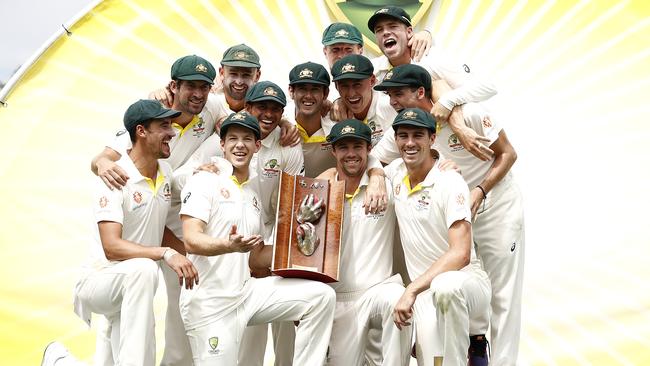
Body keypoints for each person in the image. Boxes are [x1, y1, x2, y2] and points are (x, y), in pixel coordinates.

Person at [375, 64, 525, 366]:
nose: (393, 102)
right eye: (389, 95)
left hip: (494, 205)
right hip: (452, 207)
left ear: (420, 92)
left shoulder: (466, 113)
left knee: (502, 297)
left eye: (398, 94)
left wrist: (479, 190)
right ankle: (475, 343)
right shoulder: (404, 128)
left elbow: (508, 153)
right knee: (450, 286)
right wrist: (377, 177)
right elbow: (373, 157)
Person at [179, 111, 336, 365]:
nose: (239, 145)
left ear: (257, 145)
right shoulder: (204, 180)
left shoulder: (252, 194)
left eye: (246, 139)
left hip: (246, 293)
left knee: (321, 297)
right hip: (209, 304)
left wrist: (301, 246)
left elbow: (256, 257)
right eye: (232, 139)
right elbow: (191, 239)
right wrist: (227, 245)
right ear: (222, 144)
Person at [73, 100, 199, 365]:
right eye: (164, 126)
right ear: (141, 131)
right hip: (100, 281)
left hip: (131, 285)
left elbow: (156, 225)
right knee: (144, 269)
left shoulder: (165, 171)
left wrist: (190, 253)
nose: (173, 132)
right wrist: (165, 254)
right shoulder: (114, 178)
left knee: (111, 355)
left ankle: (57, 359)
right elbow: (112, 247)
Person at [386, 108, 491, 366]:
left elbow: (461, 254)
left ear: (432, 139)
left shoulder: (450, 181)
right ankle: (472, 350)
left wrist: (410, 290)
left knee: (447, 286)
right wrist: (376, 174)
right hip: (425, 296)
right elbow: (361, 164)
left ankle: (475, 341)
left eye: (418, 135)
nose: (410, 143)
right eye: (403, 136)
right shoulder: (395, 173)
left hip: (466, 284)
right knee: (434, 360)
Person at [318, 119, 411, 365]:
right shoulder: (319, 192)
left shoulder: (387, 186)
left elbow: (423, 163)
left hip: (379, 290)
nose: (351, 154)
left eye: (357, 146)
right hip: (338, 298)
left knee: (397, 298)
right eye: (344, 147)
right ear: (333, 151)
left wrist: (377, 173)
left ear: (369, 149)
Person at [368, 5, 498, 161]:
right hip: (412, 156)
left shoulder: (431, 58)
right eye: (379, 29)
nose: (386, 32)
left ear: (409, 32)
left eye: (393, 26)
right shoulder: (373, 70)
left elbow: (488, 86)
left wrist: (447, 101)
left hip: (459, 151)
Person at [331, 54, 397, 155]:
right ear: (336, 87)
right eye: (344, 86)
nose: (351, 93)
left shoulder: (390, 106)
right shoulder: (336, 113)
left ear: (372, 81)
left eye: (357, 85)